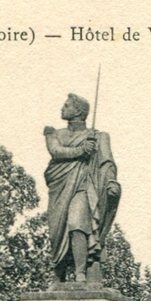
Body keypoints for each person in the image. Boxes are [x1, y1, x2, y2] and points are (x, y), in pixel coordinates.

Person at [44, 93, 122, 285]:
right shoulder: (54, 133)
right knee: (57, 231)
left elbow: (107, 162)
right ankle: (58, 273)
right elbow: (55, 151)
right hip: (60, 188)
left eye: (67, 105)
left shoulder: (98, 137)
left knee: (77, 223)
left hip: (83, 186)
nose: (62, 108)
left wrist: (111, 181)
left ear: (78, 111)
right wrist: (81, 150)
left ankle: (80, 273)